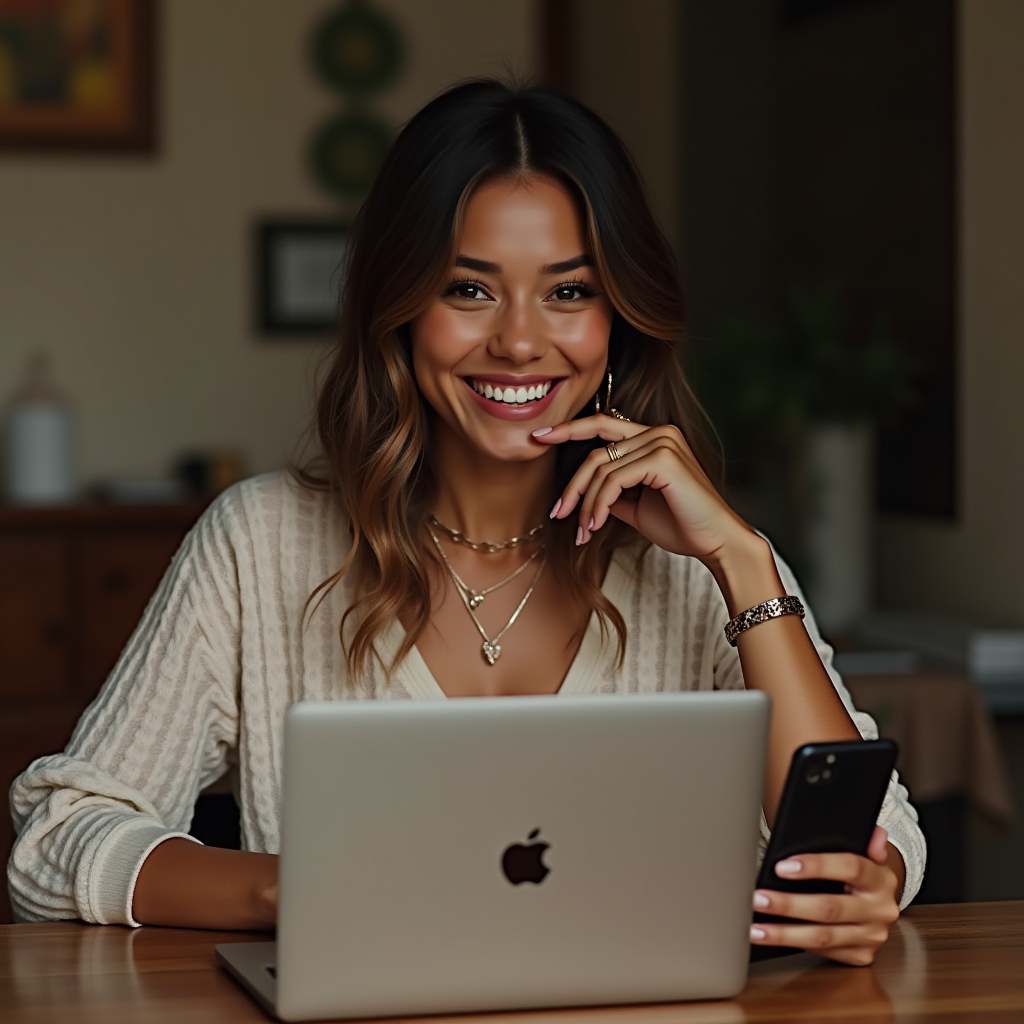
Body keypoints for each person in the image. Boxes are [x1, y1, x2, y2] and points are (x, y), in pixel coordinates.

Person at [8, 80, 924, 966]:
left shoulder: (699, 559)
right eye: (469, 289)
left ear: (620, 317)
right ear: (398, 310)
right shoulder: (259, 543)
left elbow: (869, 842)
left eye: (569, 292)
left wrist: (744, 561)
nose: (521, 341)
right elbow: (54, 841)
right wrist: (293, 890)